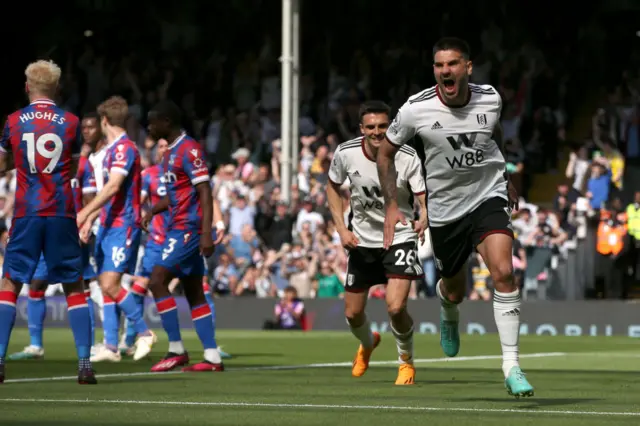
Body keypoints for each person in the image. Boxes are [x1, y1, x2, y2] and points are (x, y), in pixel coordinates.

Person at [376, 37, 534, 398]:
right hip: (446, 209)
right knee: (455, 287)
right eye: (439, 65)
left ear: (467, 67)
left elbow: (494, 135)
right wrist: (391, 205)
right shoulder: (416, 109)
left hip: (487, 195)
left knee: (504, 272)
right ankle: (448, 309)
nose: (445, 71)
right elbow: (385, 153)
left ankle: (511, 366)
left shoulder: (490, 98)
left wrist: (505, 179)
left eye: (452, 64)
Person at [0, 60, 95, 384]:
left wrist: (18, 159)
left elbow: (3, 163)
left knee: (11, 282)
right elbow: (70, 166)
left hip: (27, 211)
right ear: (56, 88)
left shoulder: (13, 121)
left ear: (27, 87)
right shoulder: (71, 122)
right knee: (73, 286)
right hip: (60, 211)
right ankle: (84, 362)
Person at [327, 100, 427, 385]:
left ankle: (406, 362)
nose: (377, 132)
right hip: (361, 239)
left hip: (400, 237)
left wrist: (425, 217)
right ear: (361, 129)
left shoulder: (407, 156)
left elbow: (423, 196)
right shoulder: (346, 153)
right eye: (370, 127)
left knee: (396, 308)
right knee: (353, 313)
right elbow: (332, 188)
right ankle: (368, 342)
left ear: (391, 126)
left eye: (383, 126)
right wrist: (340, 230)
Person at [8, 113, 101, 361]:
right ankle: (36, 345)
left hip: (70, 225)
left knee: (80, 285)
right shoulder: (38, 166)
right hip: (47, 220)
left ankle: (89, 349)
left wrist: (87, 222)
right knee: (37, 283)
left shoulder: (82, 165)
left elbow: (90, 198)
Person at [143, 100, 222, 372]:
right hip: (177, 226)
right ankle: (212, 357)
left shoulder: (190, 150)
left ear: (167, 121)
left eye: (153, 121)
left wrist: (206, 233)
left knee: (157, 280)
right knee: (193, 291)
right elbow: (178, 195)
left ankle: (176, 349)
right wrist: (152, 210)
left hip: (188, 228)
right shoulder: (169, 154)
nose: (149, 127)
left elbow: (204, 192)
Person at [77, 96, 156, 363]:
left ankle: (144, 333)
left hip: (123, 226)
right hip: (108, 224)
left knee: (110, 283)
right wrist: (89, 220)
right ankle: (111, 345)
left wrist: (83, 213)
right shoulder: (113, 150)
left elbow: (112, 188)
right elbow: (109, 196)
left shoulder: (124, 149)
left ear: (105, 120)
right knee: (106, 284)